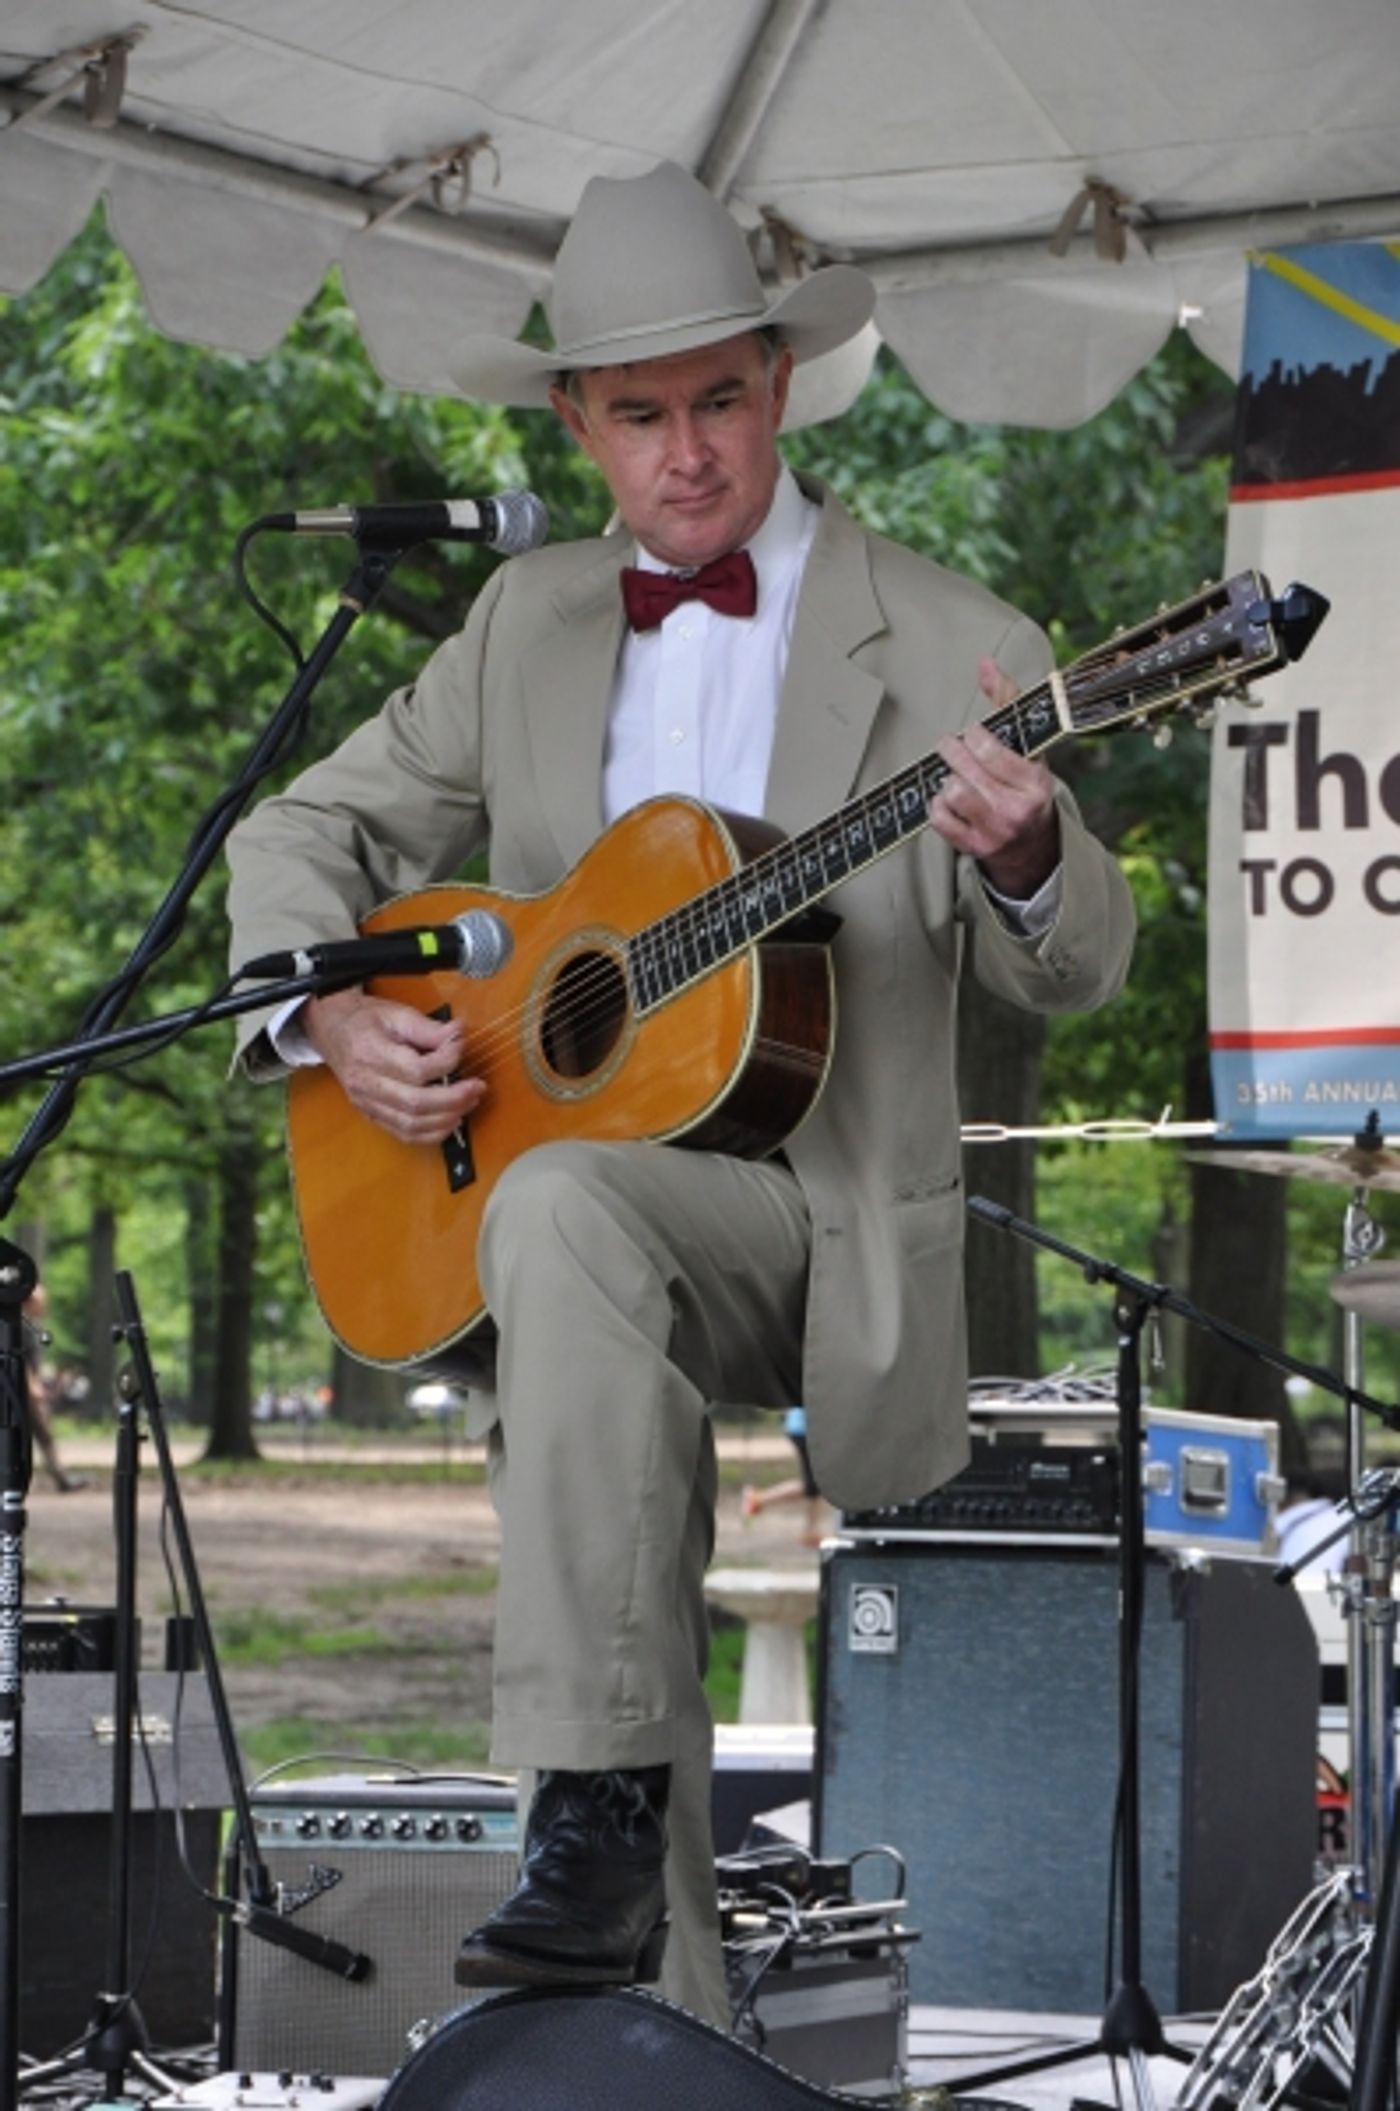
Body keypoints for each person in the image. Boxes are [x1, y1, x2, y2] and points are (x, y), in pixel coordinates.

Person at [225, 162, 1135, 2027]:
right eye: (636, 415)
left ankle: (583, 1818)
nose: (685, 454)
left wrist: (1035, 852)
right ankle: (634, 1911)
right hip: (579, 1204)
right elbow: (301, 826)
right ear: (575, 419)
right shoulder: (525, 624)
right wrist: (323, 1027)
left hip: (820, 1215)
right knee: (566, 1212)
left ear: (780, 388)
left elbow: (1079, 964)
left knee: (566, 1215)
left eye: (717, 398)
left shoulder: (955, 637)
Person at [22, 1284, 86, 1493]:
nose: (44, 1307)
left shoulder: (29, 1325)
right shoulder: (19, 1325)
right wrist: (33, 1386)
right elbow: (19, 1359)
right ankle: (61, 1478)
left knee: (44, 1434)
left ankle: (61, 1478)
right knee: (41, 1433)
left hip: (25, 1389)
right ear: (29, 1301)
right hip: (20, 1390)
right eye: (41, 1302)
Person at [741, 1406, 827, 1546]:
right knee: (814, 1484)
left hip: (804, 1427)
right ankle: (758, 1499)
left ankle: (812, 1530)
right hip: (806, 1428)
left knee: (816, 1484)